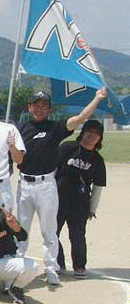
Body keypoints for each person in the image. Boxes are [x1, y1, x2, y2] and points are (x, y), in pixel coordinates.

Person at [16, 88, 107, 286]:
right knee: (22, 229)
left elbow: (81, 118)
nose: (39, 108)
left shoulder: (55, 127)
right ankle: (17, 267)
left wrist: (98, 98)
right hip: (24, 183)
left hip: (46, 185)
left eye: (44, 106)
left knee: (50, 231)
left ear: (50, 109)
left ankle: (52, 268)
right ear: (29, 107)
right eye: (36, 105)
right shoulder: (20, 128)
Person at [55, 119, 106, 278]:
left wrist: (92, 209)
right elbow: (53, 170)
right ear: (83, 132)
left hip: (80, 203)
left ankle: (79, 266)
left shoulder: (97, 160)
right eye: (89, 131)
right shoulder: (67, 148)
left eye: (96, 134)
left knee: (77, 235)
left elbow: (98, 186)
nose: (92, 135)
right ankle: (58, 263)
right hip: (58, 198)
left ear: (100, 138)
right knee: (52, 233)